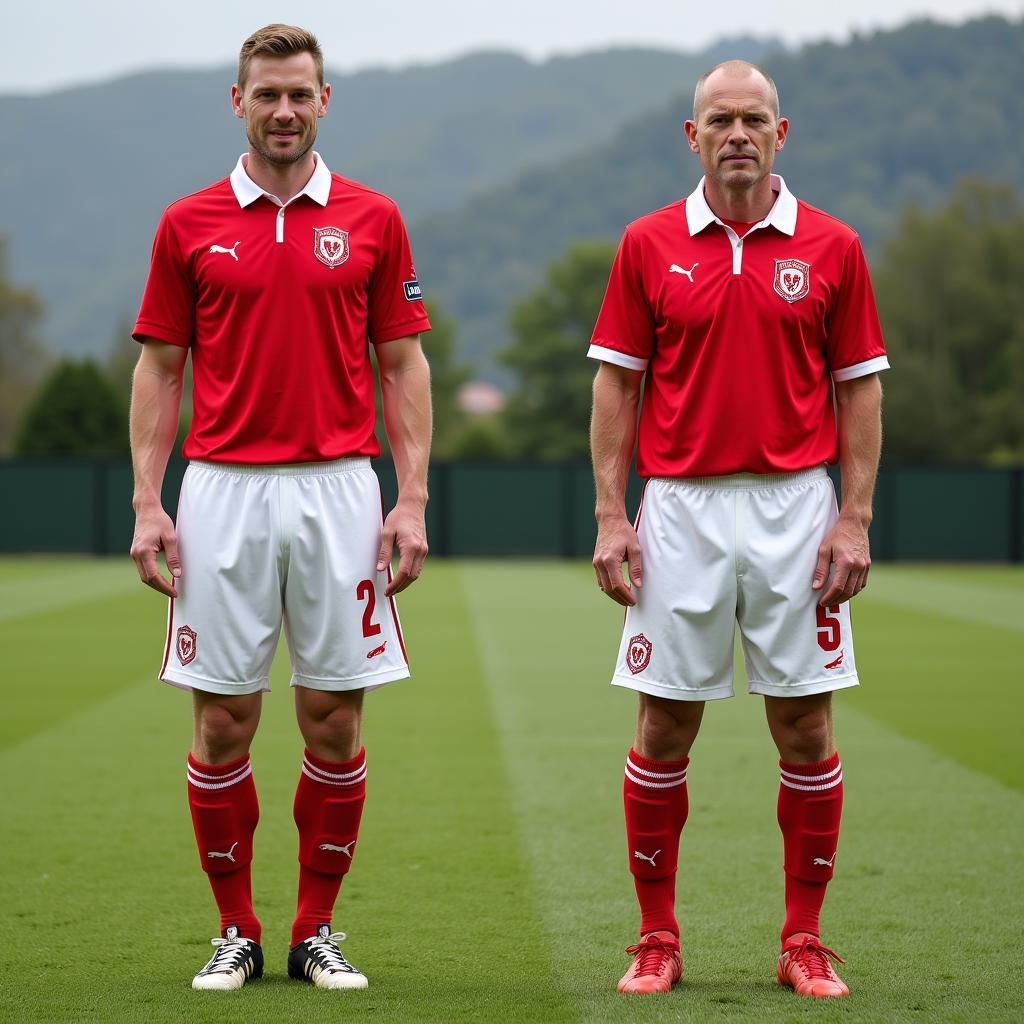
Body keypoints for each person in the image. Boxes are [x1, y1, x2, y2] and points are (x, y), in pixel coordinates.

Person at [129, 24, 432, 992]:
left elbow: (403, 363)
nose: (285, 111)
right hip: (220, 485)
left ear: (325, 101)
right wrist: (148, 500)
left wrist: (411, 496)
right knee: (222, 721)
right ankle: (236, 929)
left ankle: (314, 929)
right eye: (267, 95)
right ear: (238, 102)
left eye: (300, 94)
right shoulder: (189, 222)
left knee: (333, 718)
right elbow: (160, 366)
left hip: (342, 485)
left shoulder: (374, 218)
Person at [588, 60, 887, 998]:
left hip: (798, 508)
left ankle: (803, 940)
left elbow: (861, 388)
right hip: (680, 506)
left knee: (804, 725)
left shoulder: (833, 246)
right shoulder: (649, 244)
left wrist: (853, 516)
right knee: (664, 723)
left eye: (754, 119)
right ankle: (656, 938)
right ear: (693, 135)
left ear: (782, 132)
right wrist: (610, 515)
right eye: (719, 120)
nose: (737, 135)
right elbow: (616, 385)